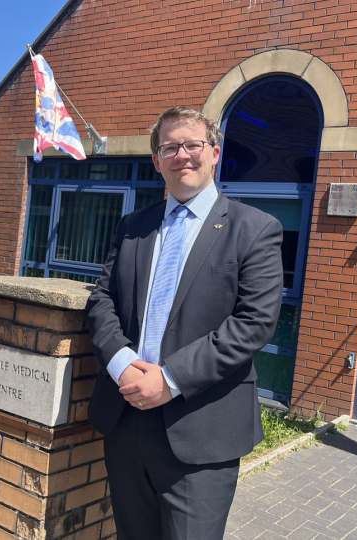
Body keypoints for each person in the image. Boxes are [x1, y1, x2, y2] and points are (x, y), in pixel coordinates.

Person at [87, 107, 283, 540]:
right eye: (169, 147)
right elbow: (102, 299)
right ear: (157, 161)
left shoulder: (255, 229)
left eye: (192, 145)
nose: (182, 155)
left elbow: (254, 323)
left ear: (214, 153)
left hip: (201, 427)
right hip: (126, 417)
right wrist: (122, 364)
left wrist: (170, 379)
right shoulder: (133, 226)